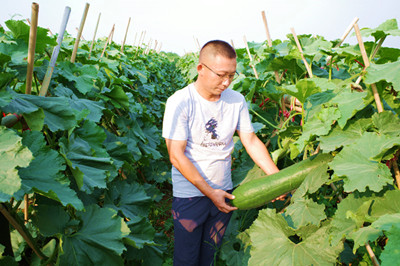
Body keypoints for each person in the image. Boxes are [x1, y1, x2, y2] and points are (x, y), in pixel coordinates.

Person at [162, 40, 281, 266]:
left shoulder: (236, 100)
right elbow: (176, 155)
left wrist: (276, 178)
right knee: (186, 259)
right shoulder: (180, 102)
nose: (226, 82)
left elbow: (251, 140)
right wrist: (209, 192)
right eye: (220, 75)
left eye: (232, 76)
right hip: (190, 195)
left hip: (223, 194)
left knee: (209, 254)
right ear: (201, 69)